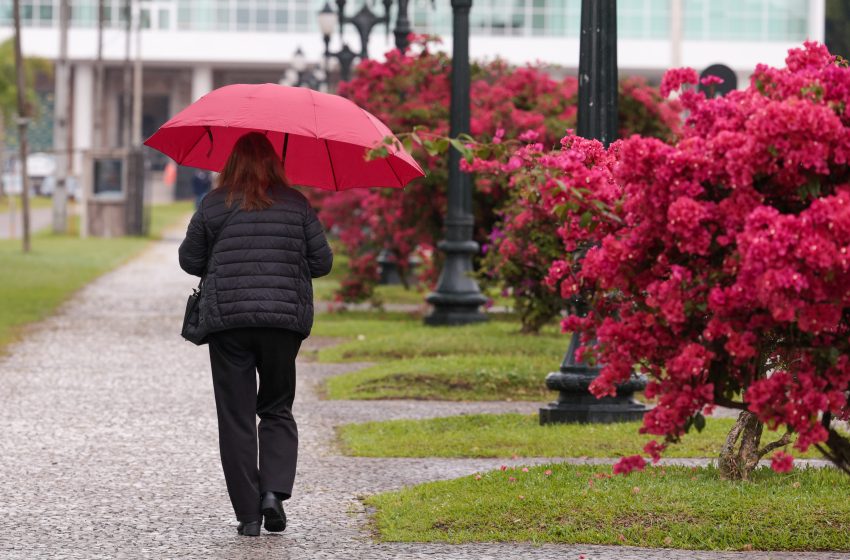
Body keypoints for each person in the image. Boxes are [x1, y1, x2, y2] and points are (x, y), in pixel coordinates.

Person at [177, 132, 333, 537]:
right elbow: (322, 262)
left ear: (230, 164)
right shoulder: (296, 203)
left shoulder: (213, 203)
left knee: (236, 417)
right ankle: (274, 495)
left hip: (229, 323)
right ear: (275, 164)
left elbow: (189, 260)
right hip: (282, 324)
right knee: (277, 407)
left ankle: (248, 514)